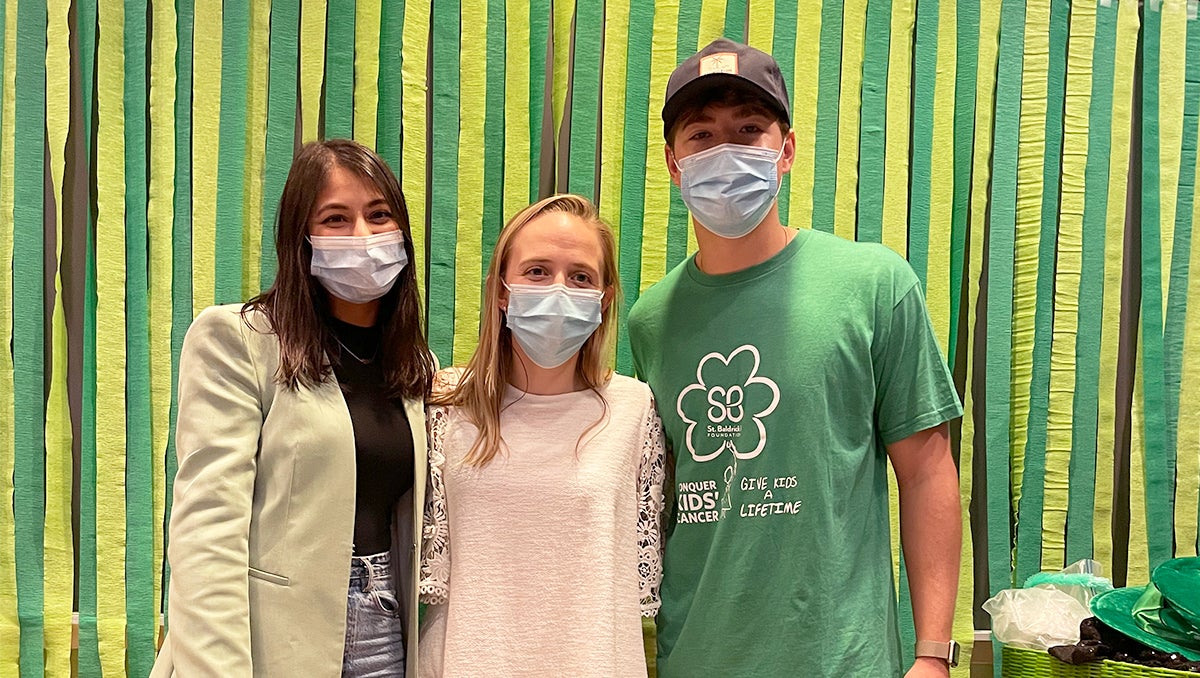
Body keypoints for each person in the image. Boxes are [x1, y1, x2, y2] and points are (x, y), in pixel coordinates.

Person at [627, 38, 964, 678]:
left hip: (843, 660)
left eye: (748, 130)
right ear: (673, 163)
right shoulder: (650, 321)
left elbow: (927, 471)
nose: (725, 150)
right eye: (701, 136)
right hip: (697, 657)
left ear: (786, 150)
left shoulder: (874, 285)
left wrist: (933, 653)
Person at [151, 139, 436, 677]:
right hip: (270, 641)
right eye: (335, 218)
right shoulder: (239, 339)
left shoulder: (413, 365)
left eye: (379, 216)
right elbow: (207, 529)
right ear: (300, 238)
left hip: (385, 631)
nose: (364, 236)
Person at [417, 194, 665, 677]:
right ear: (502, 291)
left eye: (580, 277)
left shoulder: (634, 409)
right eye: (536, 271)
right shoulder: (443, 402)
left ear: (605, 298)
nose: (559, 289)